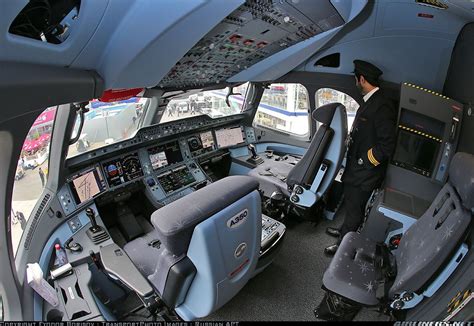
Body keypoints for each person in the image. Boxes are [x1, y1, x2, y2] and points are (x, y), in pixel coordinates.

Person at [324, 60, 397, 256]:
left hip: (365, 172)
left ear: (362, 79)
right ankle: (343, 231)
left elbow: (387, 146)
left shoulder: (382, 106)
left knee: (355, 210)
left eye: (356, 79)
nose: (356, 83)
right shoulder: (371, 101)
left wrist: (363, 161)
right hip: (356, 169)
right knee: (351, 204)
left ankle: (342, 247)